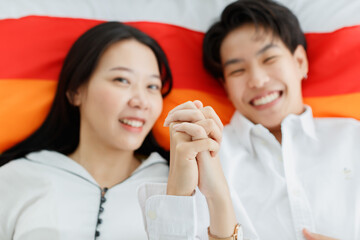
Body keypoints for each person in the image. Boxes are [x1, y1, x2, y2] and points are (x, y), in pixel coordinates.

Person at [139, 0, 360, 240]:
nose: (257, 80)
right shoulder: (202, 155)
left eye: (269, 59)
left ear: (299, 62)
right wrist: (184, 191)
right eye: (237, 71)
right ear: (225, 85)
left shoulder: (352, 138)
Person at [0, 21, 175, 240]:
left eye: (152, 86)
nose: (142, 101)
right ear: (75, 91)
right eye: (121, 80)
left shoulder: (177, 183)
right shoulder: (16, 178)